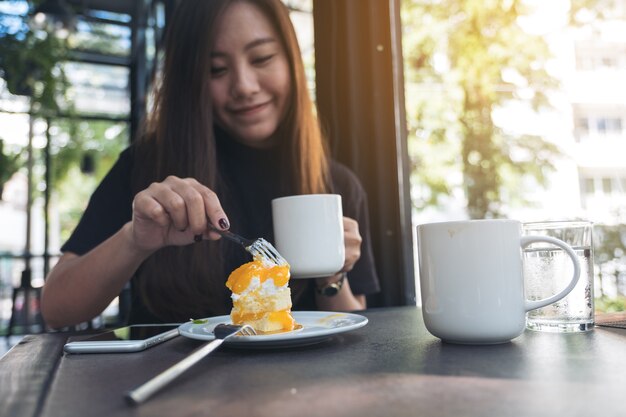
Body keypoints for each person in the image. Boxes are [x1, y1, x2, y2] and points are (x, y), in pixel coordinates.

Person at [41, 0, 380, 329]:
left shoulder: (336, 183)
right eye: (216, 69)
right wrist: (135, 240)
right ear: (191, 81)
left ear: (292, 60)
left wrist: (332, 277)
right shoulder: (147, 166)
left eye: (261, 58)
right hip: (167, 382)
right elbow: (56, 309)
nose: (244, 87)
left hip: (298, 385)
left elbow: (351, 322)